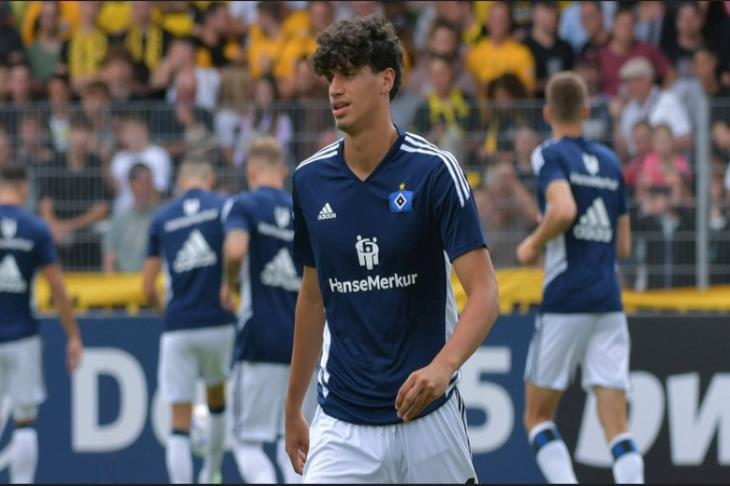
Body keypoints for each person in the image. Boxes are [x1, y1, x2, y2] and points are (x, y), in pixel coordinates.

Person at [284, 14, 500, 483]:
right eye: (330, 76)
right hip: (343, 425)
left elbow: (485, 294)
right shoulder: (309, 180)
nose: (335, 89)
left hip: (430, 419)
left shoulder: (435, 172)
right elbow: (312, 297)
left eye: (348, 73)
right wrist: (293, 406)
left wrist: (442, 368)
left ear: (386, 80)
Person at [515, 72, 642, 484]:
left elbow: (565, 209)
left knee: (537, 416)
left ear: (547, 112)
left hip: (566, 298)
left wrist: (534, 243)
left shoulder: (549, 154)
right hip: (608, 299)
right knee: (617, 425)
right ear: (586, 111)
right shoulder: (610, 162)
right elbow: (623, 245)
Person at [221, 137, 314, 483]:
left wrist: (230, 283)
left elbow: (234, 251)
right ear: (283, 171)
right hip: (303, 343)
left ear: (250, 171)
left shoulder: (243, 206)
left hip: (259, 339)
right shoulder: (303, 210)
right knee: (295, 443)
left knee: (246, 441)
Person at [142, 158, 236, 484]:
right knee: (217, 400)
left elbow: (147, 286)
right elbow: (237, 252)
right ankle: (211, 472)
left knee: (179, 423)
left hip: (179, 324)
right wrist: (232, 287)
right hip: (219, 321)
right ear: (209, 178)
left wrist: (163, 311)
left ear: (180, 182)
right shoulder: (224, 207)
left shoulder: (162, 217)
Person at [0, 164, 83, 483]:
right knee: (25, 420)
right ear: (23, 188)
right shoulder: (34, 227)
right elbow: (56, 286)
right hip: (23, 335)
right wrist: (73, 335)